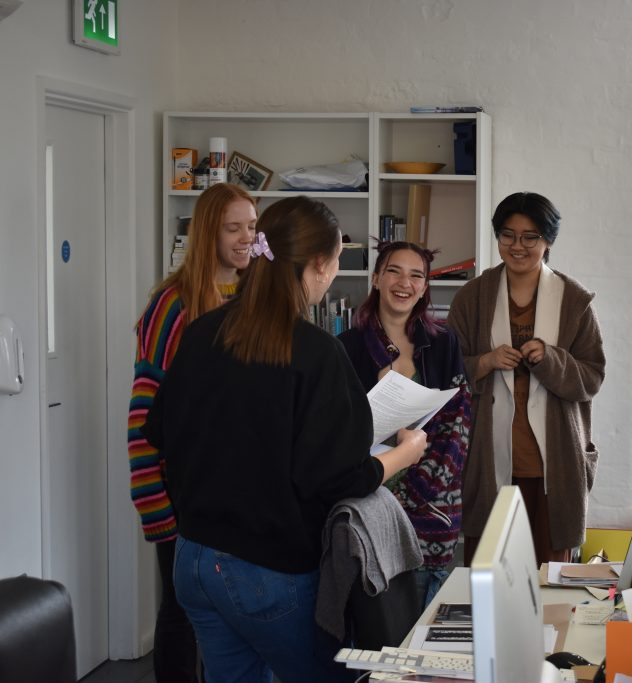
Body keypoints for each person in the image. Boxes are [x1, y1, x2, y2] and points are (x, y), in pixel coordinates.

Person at [142, 196, 427, 682]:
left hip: (193, 561)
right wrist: (402, 454)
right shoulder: (316, 352)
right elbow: (338, 478)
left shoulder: (203, 332)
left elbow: (160, 432)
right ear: (317, 265)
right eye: (337, 260)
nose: (335, 273)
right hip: (266, 571)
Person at [127, 182, 257, 682]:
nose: (246, 237)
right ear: (207, 232)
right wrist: (155, 507)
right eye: (233, 228)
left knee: (233, 616)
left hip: (236, 490)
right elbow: (144, 413)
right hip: (181, 492)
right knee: (183, 614)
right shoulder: (173, 304)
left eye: (252, 226)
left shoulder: (252, 298)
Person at [448, 192, 605, 566]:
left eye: (530, 237)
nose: (517, 246)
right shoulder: (471, 298)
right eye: (508, 235)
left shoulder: (574, 300)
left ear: (548, 241)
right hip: (489, 460)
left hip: (553, 464)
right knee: (487, 577)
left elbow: (592, 377)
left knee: (550, 581)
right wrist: (485, 361)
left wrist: (550, 359)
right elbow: (447, 375)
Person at [339, 240, 471, 609]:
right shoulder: (345, 347)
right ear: (377, 278)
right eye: (394, 271)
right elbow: (337, 431)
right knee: (376, 622)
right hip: (373, 504)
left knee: (427, 624)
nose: (404, 282)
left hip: (436, 507)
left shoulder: (444, 343)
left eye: (416, 275)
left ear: (425, 287)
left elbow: (459, 423)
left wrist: (417, 490)